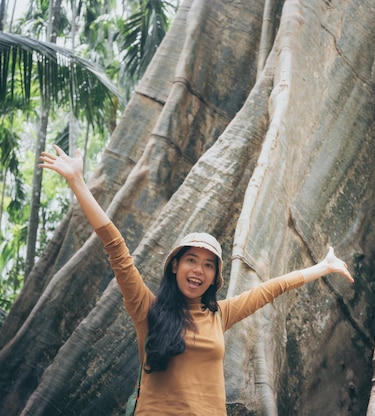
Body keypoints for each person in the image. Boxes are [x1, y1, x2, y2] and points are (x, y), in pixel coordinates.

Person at [39, 145, 354, 415]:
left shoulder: (220, 315)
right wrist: (78, 182)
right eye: (191, 260)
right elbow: (116, 247)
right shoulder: (146, 308)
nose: (198, 271)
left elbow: (270, 289)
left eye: (208, 265)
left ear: (215, 276)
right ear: (175, 265)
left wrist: (323, 267)